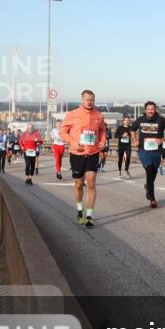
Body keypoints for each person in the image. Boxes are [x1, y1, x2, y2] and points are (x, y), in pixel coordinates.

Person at [61, 90, 107, 227]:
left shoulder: (99, 115)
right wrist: (73, 142)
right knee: (79, 184)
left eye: (92, 99)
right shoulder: (72, 114)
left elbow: (102, 131)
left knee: (91, 183)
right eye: (87, 99)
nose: (90, 102)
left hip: (93, 153)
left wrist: (102, 141)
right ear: (82, 99)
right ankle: (80, 210)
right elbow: (63, 132)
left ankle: (89, 216)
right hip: (77, 154)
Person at [131, 102, 165, 208]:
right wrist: (135, 140)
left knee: (153, 174)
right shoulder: (140, 120)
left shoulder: (161, 120)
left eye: (152, 109)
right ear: (145, 110)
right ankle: (153, 199)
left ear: (155, 110)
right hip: (143, 151)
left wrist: (162, 139)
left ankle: (148, 187)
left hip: (156, 151)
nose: (150, 111)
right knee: (149, 171)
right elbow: (132, 129)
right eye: (148, 109)